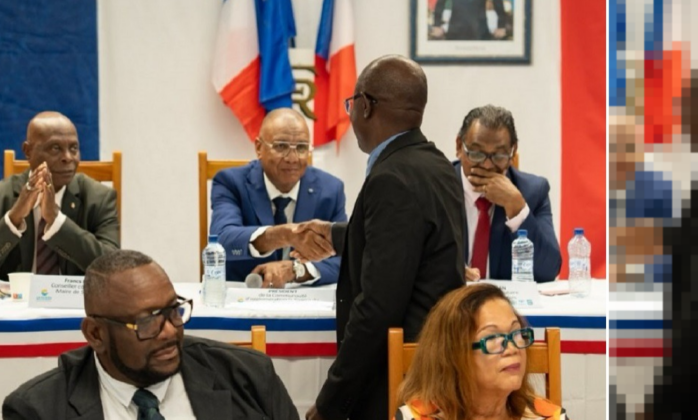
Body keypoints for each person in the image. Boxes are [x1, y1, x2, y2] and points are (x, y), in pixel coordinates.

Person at [303, 55, 466, 420]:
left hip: (397, 381)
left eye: (350, 104)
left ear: (365, 105)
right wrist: (334, 234)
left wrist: (331, 401)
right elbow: (411, 244)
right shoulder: (435, 163)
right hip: (432, 365)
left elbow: (378, 307)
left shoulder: (391, 178)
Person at [2, 249, 299, 419]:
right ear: (96, 334)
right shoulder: (36, 410)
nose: (169, 331)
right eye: (146, 323)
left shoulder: (249, 377)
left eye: (173, 311)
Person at [0, 112, 119, 285]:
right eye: (55, 148)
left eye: (74, 148)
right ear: (28, 151)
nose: (68, 158)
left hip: (74, 307)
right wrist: (14, 218)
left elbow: (112, 271)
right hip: (15, 306)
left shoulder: (99, 198)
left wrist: (57, 222)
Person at [211, 108, 346, 288]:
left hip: (305, 302)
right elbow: (222, 242)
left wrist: (295, 270)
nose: (292, 158)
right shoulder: (231, 183)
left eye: (301, 148)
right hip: (244, 297)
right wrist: (285, 235)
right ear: (259, 148)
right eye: (281, 146)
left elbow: (345, 258)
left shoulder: (330, 190)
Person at [395, 283, 568, 419]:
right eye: (492, 338)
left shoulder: (548, 417)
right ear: (454, 355)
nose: (512, 348)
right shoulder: (413, 417)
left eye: (516, 333)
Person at [455, 106, 561, 283]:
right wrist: (447, 269)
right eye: (477, 153)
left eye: (498, 155)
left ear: (513, 151)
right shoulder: (436, 187)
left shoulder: (533, 191)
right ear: (459, 147)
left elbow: (548, 270)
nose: (487, 166)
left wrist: (516, 208)